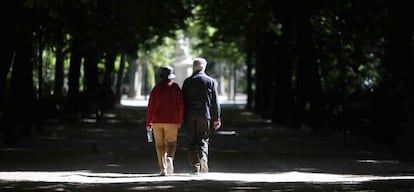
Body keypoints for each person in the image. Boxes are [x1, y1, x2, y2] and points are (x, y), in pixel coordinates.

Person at [182, 57, 221, 174]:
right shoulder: (210, 81)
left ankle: (195, 166)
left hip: (189, 115)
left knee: (191, 141)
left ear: (194, 67)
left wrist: (180, 116)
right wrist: (217, 118)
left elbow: (182, 100)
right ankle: (203, 156)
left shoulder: (187, 81)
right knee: (203, 138)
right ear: (204, 67)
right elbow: (215, 101)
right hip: (204, 115)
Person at [146, 66, 184, 176]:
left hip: (157, 121)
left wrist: (148, 122)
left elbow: (150, 106)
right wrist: (180, 119)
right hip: (172, 120)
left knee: (159, 145)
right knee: (171, 143)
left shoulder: (156, 88)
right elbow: (180, 105)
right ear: (171, 77)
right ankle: (169, 158)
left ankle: (163, 169)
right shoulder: (175, 88)